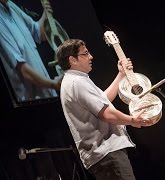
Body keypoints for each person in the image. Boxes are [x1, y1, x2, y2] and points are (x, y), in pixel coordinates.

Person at [57, 39, 152, 180]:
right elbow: (106, 113)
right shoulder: (77, 82)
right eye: (85, 54)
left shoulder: (76, 81)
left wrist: (121, 74)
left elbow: (102, 100)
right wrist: (132, 120)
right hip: (107, 154)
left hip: (106, 155)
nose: (91, 57)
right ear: (73, 60)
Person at [0, 0, 62, 102]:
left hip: (49, 94)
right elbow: (23, 69)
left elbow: (40, 34)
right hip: (31, 101)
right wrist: (52, 84)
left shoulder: (11, 5)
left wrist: (46, 12)